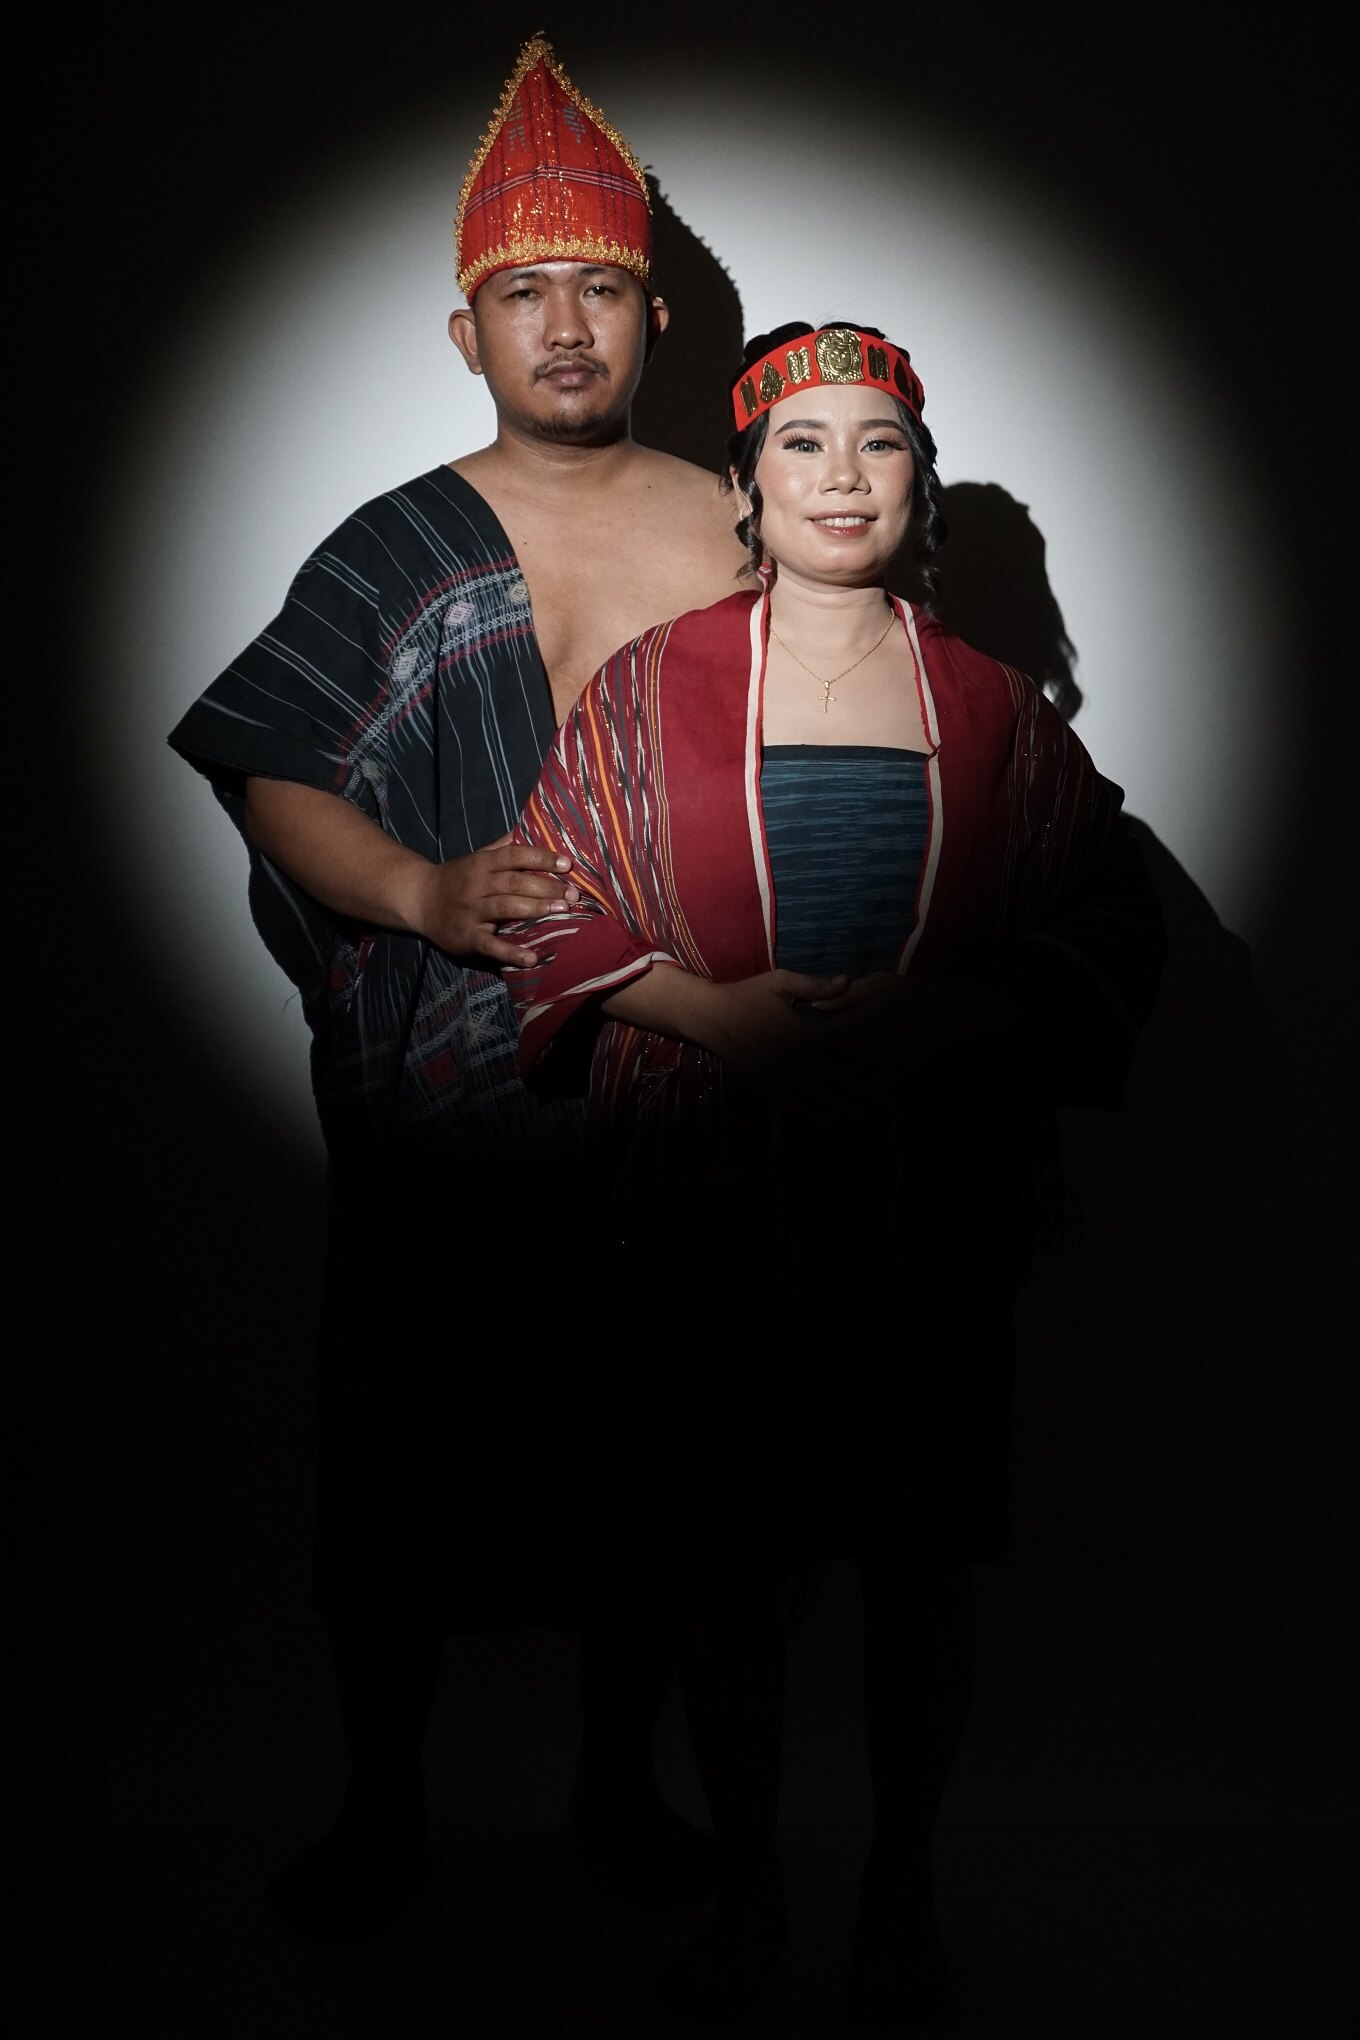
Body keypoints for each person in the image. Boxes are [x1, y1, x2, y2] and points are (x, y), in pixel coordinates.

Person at [505, 318, 1168, 2022]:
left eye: (880, 444)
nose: (843, 476)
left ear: (918, 487)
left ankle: (898, 1898)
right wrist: (718, 1021)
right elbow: (548, 899)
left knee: (915, 1566)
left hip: (926, 1203)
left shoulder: (991, 705)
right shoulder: (650, 684)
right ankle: (750, 1903)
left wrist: (949, 1013)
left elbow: (1111, 917)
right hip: (711, 1200)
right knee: (723, 1565)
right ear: (747, 485)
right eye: (802, 443)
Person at [166, 36, 747, 1943]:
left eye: (599, 290)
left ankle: (620, 1801)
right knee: (405, 1450)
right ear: (464, 331)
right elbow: (274, 761)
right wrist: (420, 889)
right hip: (445, 1083)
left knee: (657, 1450)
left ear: (653, 317)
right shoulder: (397, 539)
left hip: (677, 1074)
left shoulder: (740, 522)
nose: (564, 327)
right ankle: (382, 1813)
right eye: (524, 295)